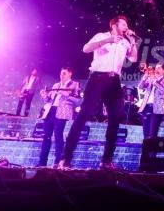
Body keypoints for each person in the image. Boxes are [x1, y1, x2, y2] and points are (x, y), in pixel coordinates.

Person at [59, 15, 138, 170]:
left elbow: (134, 58)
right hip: (98, 77)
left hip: (115, 80)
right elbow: (86, 48)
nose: (126, 26)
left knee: (115, 118)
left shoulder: (125, 42)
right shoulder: (102, 36)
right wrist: (108, 40)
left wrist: (133, 41)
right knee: (84, 114)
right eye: (123, 24)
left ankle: (106, 161)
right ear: (114, 25)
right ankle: (66, 158)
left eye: (126, 24)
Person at [37, 67, 80, 167]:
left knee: (58, 135)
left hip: (62, 112)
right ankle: (42, 162)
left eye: (64, 73)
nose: (62, 75)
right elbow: (48, 100)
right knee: (46, 136)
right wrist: (44, 95)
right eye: (61, 73)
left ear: (70, 74)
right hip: (51, 111)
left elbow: (77, 99)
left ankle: (58, 162)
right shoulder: (56, 85)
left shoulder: (74, 84)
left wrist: (64, 94)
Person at [138, 63, 164, 139]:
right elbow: (140, 86)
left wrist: (155, 82)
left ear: (163, 70)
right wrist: (145, 76)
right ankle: (145, 146)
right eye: (156, 68)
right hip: (146, 107)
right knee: (145, 133)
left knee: (152, 133)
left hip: (157, 108)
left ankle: (152, 147)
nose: (156, 70)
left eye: (159, 68)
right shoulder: (150, 78)